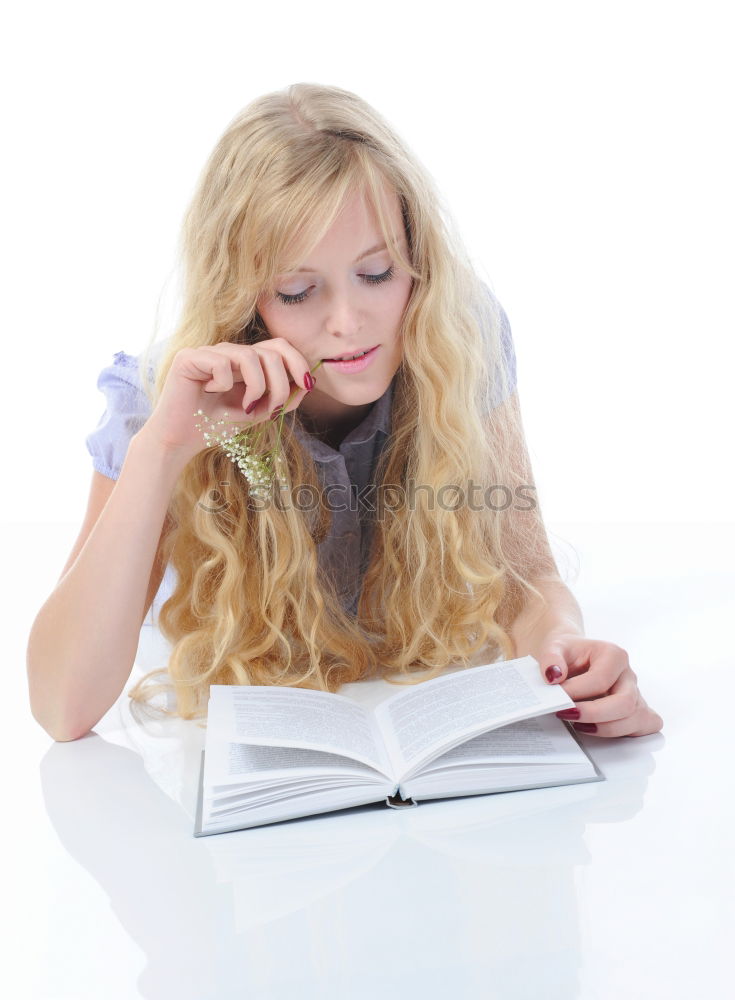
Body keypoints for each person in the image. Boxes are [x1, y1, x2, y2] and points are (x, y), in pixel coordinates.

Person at [26, 82, 663, 743]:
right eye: (298, 291)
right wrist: (163, 449)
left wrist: (565, 650)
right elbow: (61, 708)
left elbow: (525, 574)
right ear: (246, 300)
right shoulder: (160, 396)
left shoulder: (455, 336)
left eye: (378, 273)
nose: (347, 323)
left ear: (416, 261)